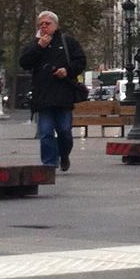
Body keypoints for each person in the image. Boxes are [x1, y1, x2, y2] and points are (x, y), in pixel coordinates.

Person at [20, 9, 87, 172]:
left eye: (47, 24)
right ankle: (49, 164)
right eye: (41, 24)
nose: (43, 27)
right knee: (45, 132)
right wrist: (38, 47)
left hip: (63, 95)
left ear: (55, 26)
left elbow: (81, 61)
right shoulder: (34, 44)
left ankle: (63, 154)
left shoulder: (67, 42)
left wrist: (67, 70)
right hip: (43, 97)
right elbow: (24, 63)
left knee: (65, 131)